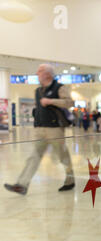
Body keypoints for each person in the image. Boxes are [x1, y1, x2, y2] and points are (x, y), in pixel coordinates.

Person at [4, 64, 75, 195]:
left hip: (55, 129)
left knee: (62, 156)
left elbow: (70, 103)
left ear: (48, 74)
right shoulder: (37, 91)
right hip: (40, 129)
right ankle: (22, 185)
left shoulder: (59, 87)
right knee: (34, 157)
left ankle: (70, 180)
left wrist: (51, 101)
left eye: (40, 71)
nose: (37, 73)